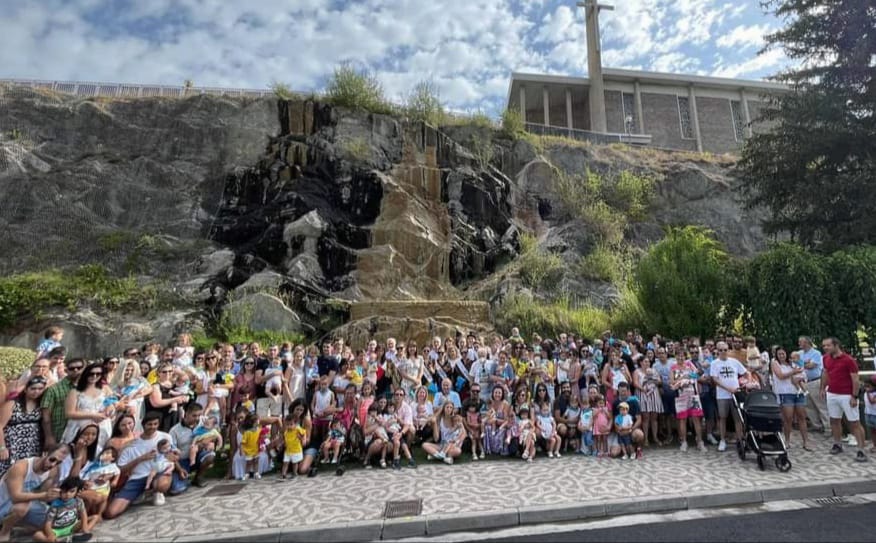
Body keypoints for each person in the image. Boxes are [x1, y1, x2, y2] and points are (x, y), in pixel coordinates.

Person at [104, 412, 178, 518]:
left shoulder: (165, 437)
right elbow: (121, 468)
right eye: (149, 424)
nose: (153, 427)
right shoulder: (132, 445)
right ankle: (141, 493)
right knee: (111, 512)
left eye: (155, 424)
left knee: (160, 485)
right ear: (143, 425)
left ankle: (157, 492)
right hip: (137, 478)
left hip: (159, 472)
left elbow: (173, 454)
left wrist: (177, 466)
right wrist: (140, 459)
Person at [0, 444, 69, 542]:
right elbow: (15, 496)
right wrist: (44, 495)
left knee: (53, 521)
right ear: (45, 454)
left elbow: (43, 495)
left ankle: (13, 523)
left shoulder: (52, 471)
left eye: (58, 463)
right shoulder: (21, 466)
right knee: (22, 506)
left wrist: (55, 494)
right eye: (52, 459)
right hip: (4, 502)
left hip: (22, 504)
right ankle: (4, 532)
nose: (53, 465)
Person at [820, 337, 867, 462]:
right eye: (824, 346)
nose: (825, 348)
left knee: (854, 422)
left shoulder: (848, 360)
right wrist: (822, 388)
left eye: (828, 345)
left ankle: (861, 449)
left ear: (836, 345)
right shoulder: (826, 358)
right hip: (832, 393)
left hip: (846, 394)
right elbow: (825, 373)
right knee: (834, 420)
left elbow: (855, 379)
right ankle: (837, 443)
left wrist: (854, 396)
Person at [0, 376, 47, 478]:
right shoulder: (13, 404)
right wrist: (2, 447)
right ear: (26, 389)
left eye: (40, 389)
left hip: (33, 445)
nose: (36, 392)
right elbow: (0, 425)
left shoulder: (41, 405)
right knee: (8, 472)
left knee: (26, 472)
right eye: (33, 388)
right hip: (13, 444)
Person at [710, 341, 748, 452]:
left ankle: (740, 440)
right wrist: (728, 388)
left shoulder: (734, 362)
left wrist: (746, 383)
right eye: (721, 350)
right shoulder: (715, 363)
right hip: (722, 395)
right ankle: (722, 440)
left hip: (735, 394)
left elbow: (745, 373)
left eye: (725, 350)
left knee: (737, 418)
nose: (723, 352)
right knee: (722, 417)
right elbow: (715, 379)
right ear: (717, 351)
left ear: (728, 350)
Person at [771, 347, 811, 451]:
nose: (781, 356)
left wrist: (799, 377)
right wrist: (793, 373)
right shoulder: (775, 363)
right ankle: (787, 441)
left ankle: (806, 441)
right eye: (779, 354)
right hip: (785, 393)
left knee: (802, 417)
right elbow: (780, 376)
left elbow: (803, 375)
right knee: (788, 418)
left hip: (798, 393)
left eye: (783, 353)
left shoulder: (793, 363)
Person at [41, 359, 85, 450]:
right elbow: (45, 417)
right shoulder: (54, 389)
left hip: (81, 434)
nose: (76, 370)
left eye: (79, 368)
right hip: (59, 434)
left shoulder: (88, 388)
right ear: (66, 370)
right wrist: (49, 437)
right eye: (72, 368)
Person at [32, 476, 92, 543]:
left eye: (71, 491)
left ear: (77, 492)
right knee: (37, 535)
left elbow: (83, 514)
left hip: (72, 526)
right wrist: (50, 535)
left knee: (95, 517)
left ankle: (83, 533)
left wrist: (85, 527)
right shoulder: (55, 505)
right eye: (64, 491)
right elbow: (48, 523)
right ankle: (58, 541)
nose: (67, 494)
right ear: (60, 492)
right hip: (57, 530)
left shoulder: (78, 501)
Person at [799, 336, 828, 433]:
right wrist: (804, 363)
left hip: (815, 381)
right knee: (808, 405)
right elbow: (794, 364)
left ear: (807, 343)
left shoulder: (816, 353)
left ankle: (828, 427)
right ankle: (816, 425)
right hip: (804, 382)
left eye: (801, 342)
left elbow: (812, 365)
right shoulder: (799, 353)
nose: (799, 343)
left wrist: (801, 364)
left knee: (820, 404)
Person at [281, 411, 307, 479]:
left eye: (291, 424)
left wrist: (303, 440)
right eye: (287, 424)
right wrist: (283, 443)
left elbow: (304, 433)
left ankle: (295, 473)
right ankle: (283, 474)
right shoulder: (286, 432)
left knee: (294, 463)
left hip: (296, 450)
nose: (289, 426)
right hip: (288, 450)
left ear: (296, 424)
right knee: (285, 462)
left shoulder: (297, 429)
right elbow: (285, 439)